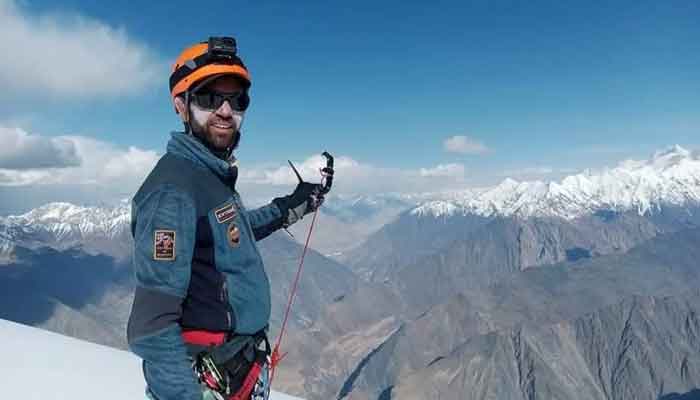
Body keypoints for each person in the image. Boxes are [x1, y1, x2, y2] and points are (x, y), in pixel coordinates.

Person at [127, 36, 332, 400]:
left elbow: (230, 233)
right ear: (180, 105)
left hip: (236, 371)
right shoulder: (173, 191)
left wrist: (294, 206)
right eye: (209, 97)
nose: (225, 110)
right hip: (207, 382)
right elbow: (152, 326)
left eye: (237, 100)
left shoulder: (208, 178)